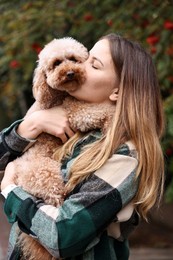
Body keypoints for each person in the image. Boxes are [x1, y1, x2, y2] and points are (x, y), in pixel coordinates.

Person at [0, 33, 165, 260]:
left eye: (93, 65)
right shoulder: (50, 118)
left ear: (117, 91)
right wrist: (28, 127)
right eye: (86, 59)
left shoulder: (124, 155)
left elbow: (61, 236)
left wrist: (10, 190)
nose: (80, 69)